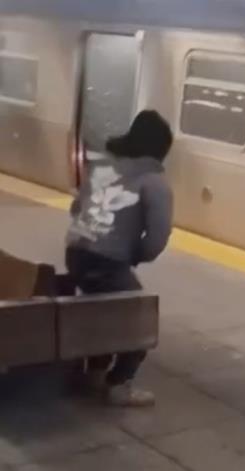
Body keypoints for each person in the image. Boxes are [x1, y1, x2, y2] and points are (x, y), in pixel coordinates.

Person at [66, 110, 174, 407]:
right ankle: (119, 383)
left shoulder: (102, 166)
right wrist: (135, 254)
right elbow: (157, 237)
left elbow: (76, 208)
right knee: (138, 318)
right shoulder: (154, 183)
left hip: (76, 253)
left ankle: (94, 372)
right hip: (107, 261)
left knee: (101, 312)